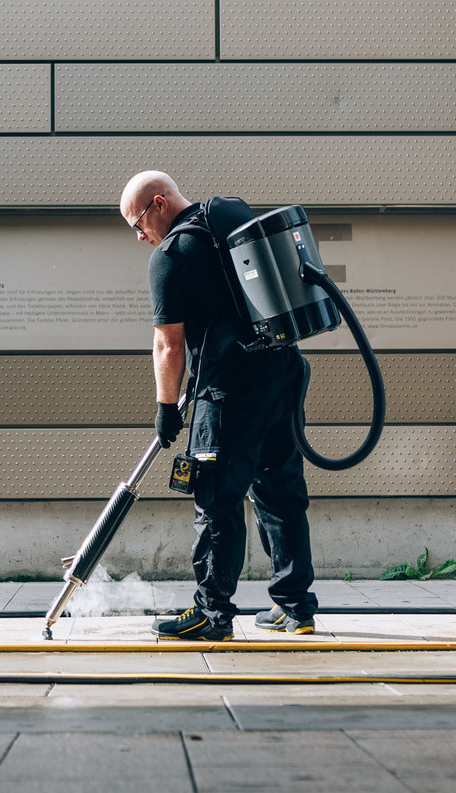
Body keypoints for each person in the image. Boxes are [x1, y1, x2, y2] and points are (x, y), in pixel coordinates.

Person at [119, 171, 318, 640]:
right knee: (280, 490)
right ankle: (295, 608)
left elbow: (169, 345)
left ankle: (212, 614)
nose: (140, 236)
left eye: (138, 224)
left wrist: (166, 406)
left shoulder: (170, 257)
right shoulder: (233, 214)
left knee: (215, 500)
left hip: (229, 391)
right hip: (283, 371)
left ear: (160, 203)